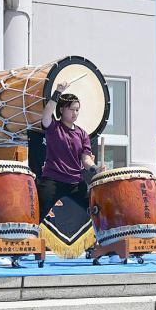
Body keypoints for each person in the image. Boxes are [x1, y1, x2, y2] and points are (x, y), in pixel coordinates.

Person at [36, 81, 105, 225]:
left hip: (75, 182)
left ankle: (105, 236)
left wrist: (95, 168)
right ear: (61, 109)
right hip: (53, 179)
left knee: (98, 210)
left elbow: (86, 159)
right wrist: (58, 92)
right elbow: (47, 113)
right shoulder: (53, 127)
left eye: (77, 110)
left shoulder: (82, 134)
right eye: (72, 109)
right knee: (36, 214)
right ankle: (26, 236)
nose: (75, 113)